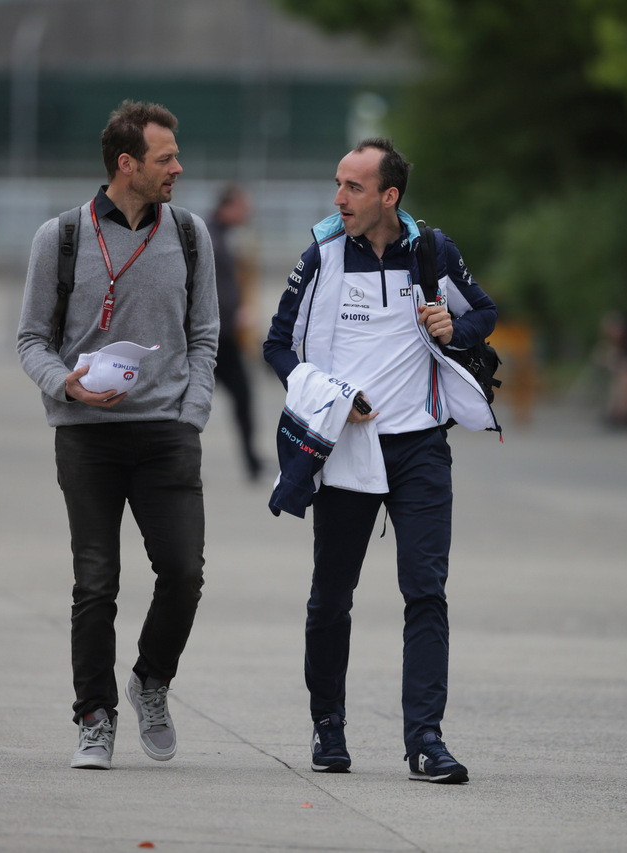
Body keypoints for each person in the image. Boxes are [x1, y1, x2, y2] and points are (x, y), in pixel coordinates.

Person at [263, 138, 499, 784]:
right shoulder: (322, 256)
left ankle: (426, 739)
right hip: (346, 446)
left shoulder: (431, 250)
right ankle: (328, 725)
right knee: (331, 597)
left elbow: (484, 312)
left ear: (389, 196)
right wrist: (332, 397)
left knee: (426, 592)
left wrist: (456, 330)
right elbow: (277, 347)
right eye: (338, 183)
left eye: (354, 187)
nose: (339, 198)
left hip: (421, 447)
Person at [17, 100, 219, 771]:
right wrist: (66, 385)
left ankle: (150, 681)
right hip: (86, 436)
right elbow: (31, 340)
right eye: (166, 158)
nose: (178, 168)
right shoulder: (63, 237)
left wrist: (191, 414)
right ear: (126, 163)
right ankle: (94, 715)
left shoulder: (190, 234)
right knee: (95, 580)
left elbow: (205, 334)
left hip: (167, 434)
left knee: (184, 573)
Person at [206, 184, 264, 481]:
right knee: (239, 396)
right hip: (215, 337)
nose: (248, 213)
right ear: (228, 206)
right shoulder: (210, 238)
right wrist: (235, 313)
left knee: (241, 397)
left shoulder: (222, 235)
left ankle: (253, 463)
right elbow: (212, 289)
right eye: (243, 206)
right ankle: (253, 464)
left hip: (223, 334)